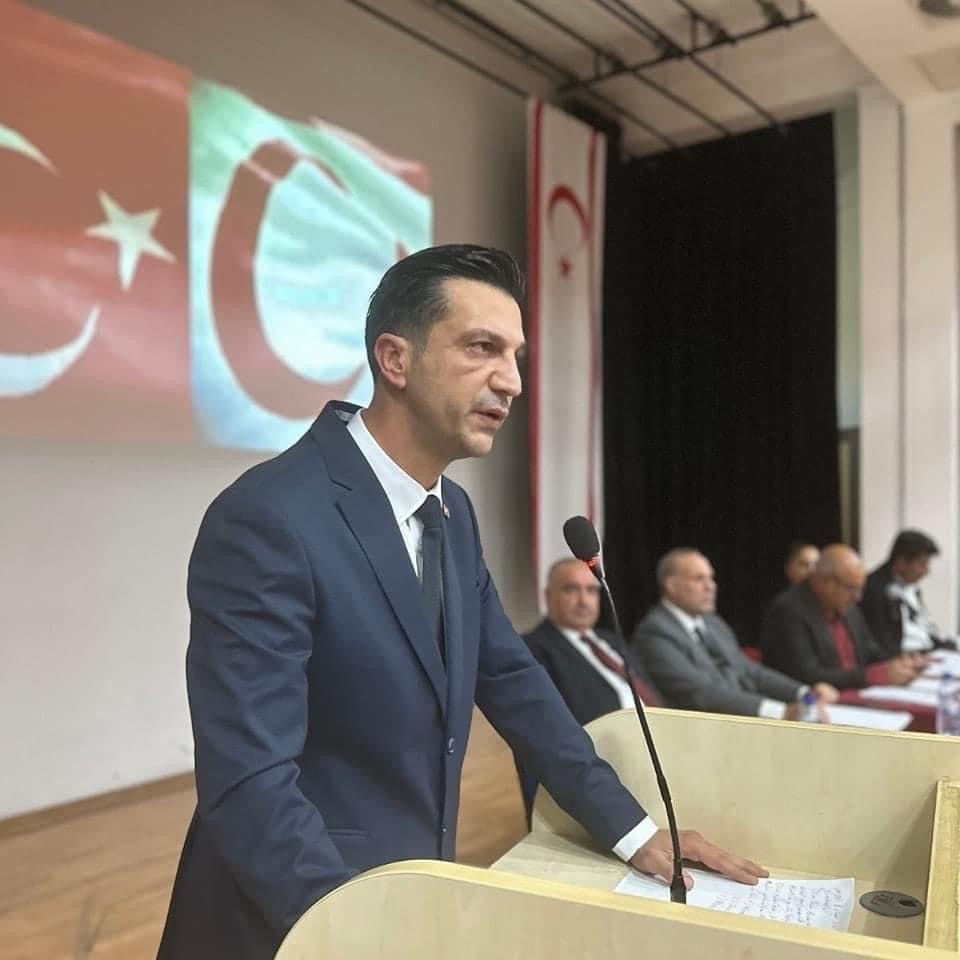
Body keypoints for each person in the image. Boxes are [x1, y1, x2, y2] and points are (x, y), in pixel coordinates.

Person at [157, 245, 765, 960]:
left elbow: (513, 680)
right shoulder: (269, 517)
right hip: (290, 923)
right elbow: (250, 782)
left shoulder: (452, 512)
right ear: (395, 359)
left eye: (516, 356)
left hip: (412, 897)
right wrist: (355, 935)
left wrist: (636, 833)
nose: (511, 381)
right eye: (482, 348)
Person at [632, 549, 837, 719]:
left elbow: (749, 670)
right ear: (671, 585)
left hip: (743, 722)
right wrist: (779, 712)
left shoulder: (713, 623)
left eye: (711, 578)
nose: (711, 586)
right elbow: (700, 693)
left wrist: (804, 693)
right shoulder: (654, 634)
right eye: (699, 579)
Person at [761, 544, 925, 690]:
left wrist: (901, 661)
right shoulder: (788, 611)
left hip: (858, 694)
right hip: (815, 702)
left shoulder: (847, 605)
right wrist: (870, 675)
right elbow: (807, 675)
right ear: (825, 582)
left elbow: (869, 652)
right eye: (851, 588)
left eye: (860, 589)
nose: (858, 597)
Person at [860, 529, 946, 656]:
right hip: (900, 659)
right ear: (901, 562)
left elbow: (921, 625)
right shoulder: (873, 590)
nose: (927, 571)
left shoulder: (912, 587)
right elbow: (880, 643)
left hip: (925, 653)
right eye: (922, 564)